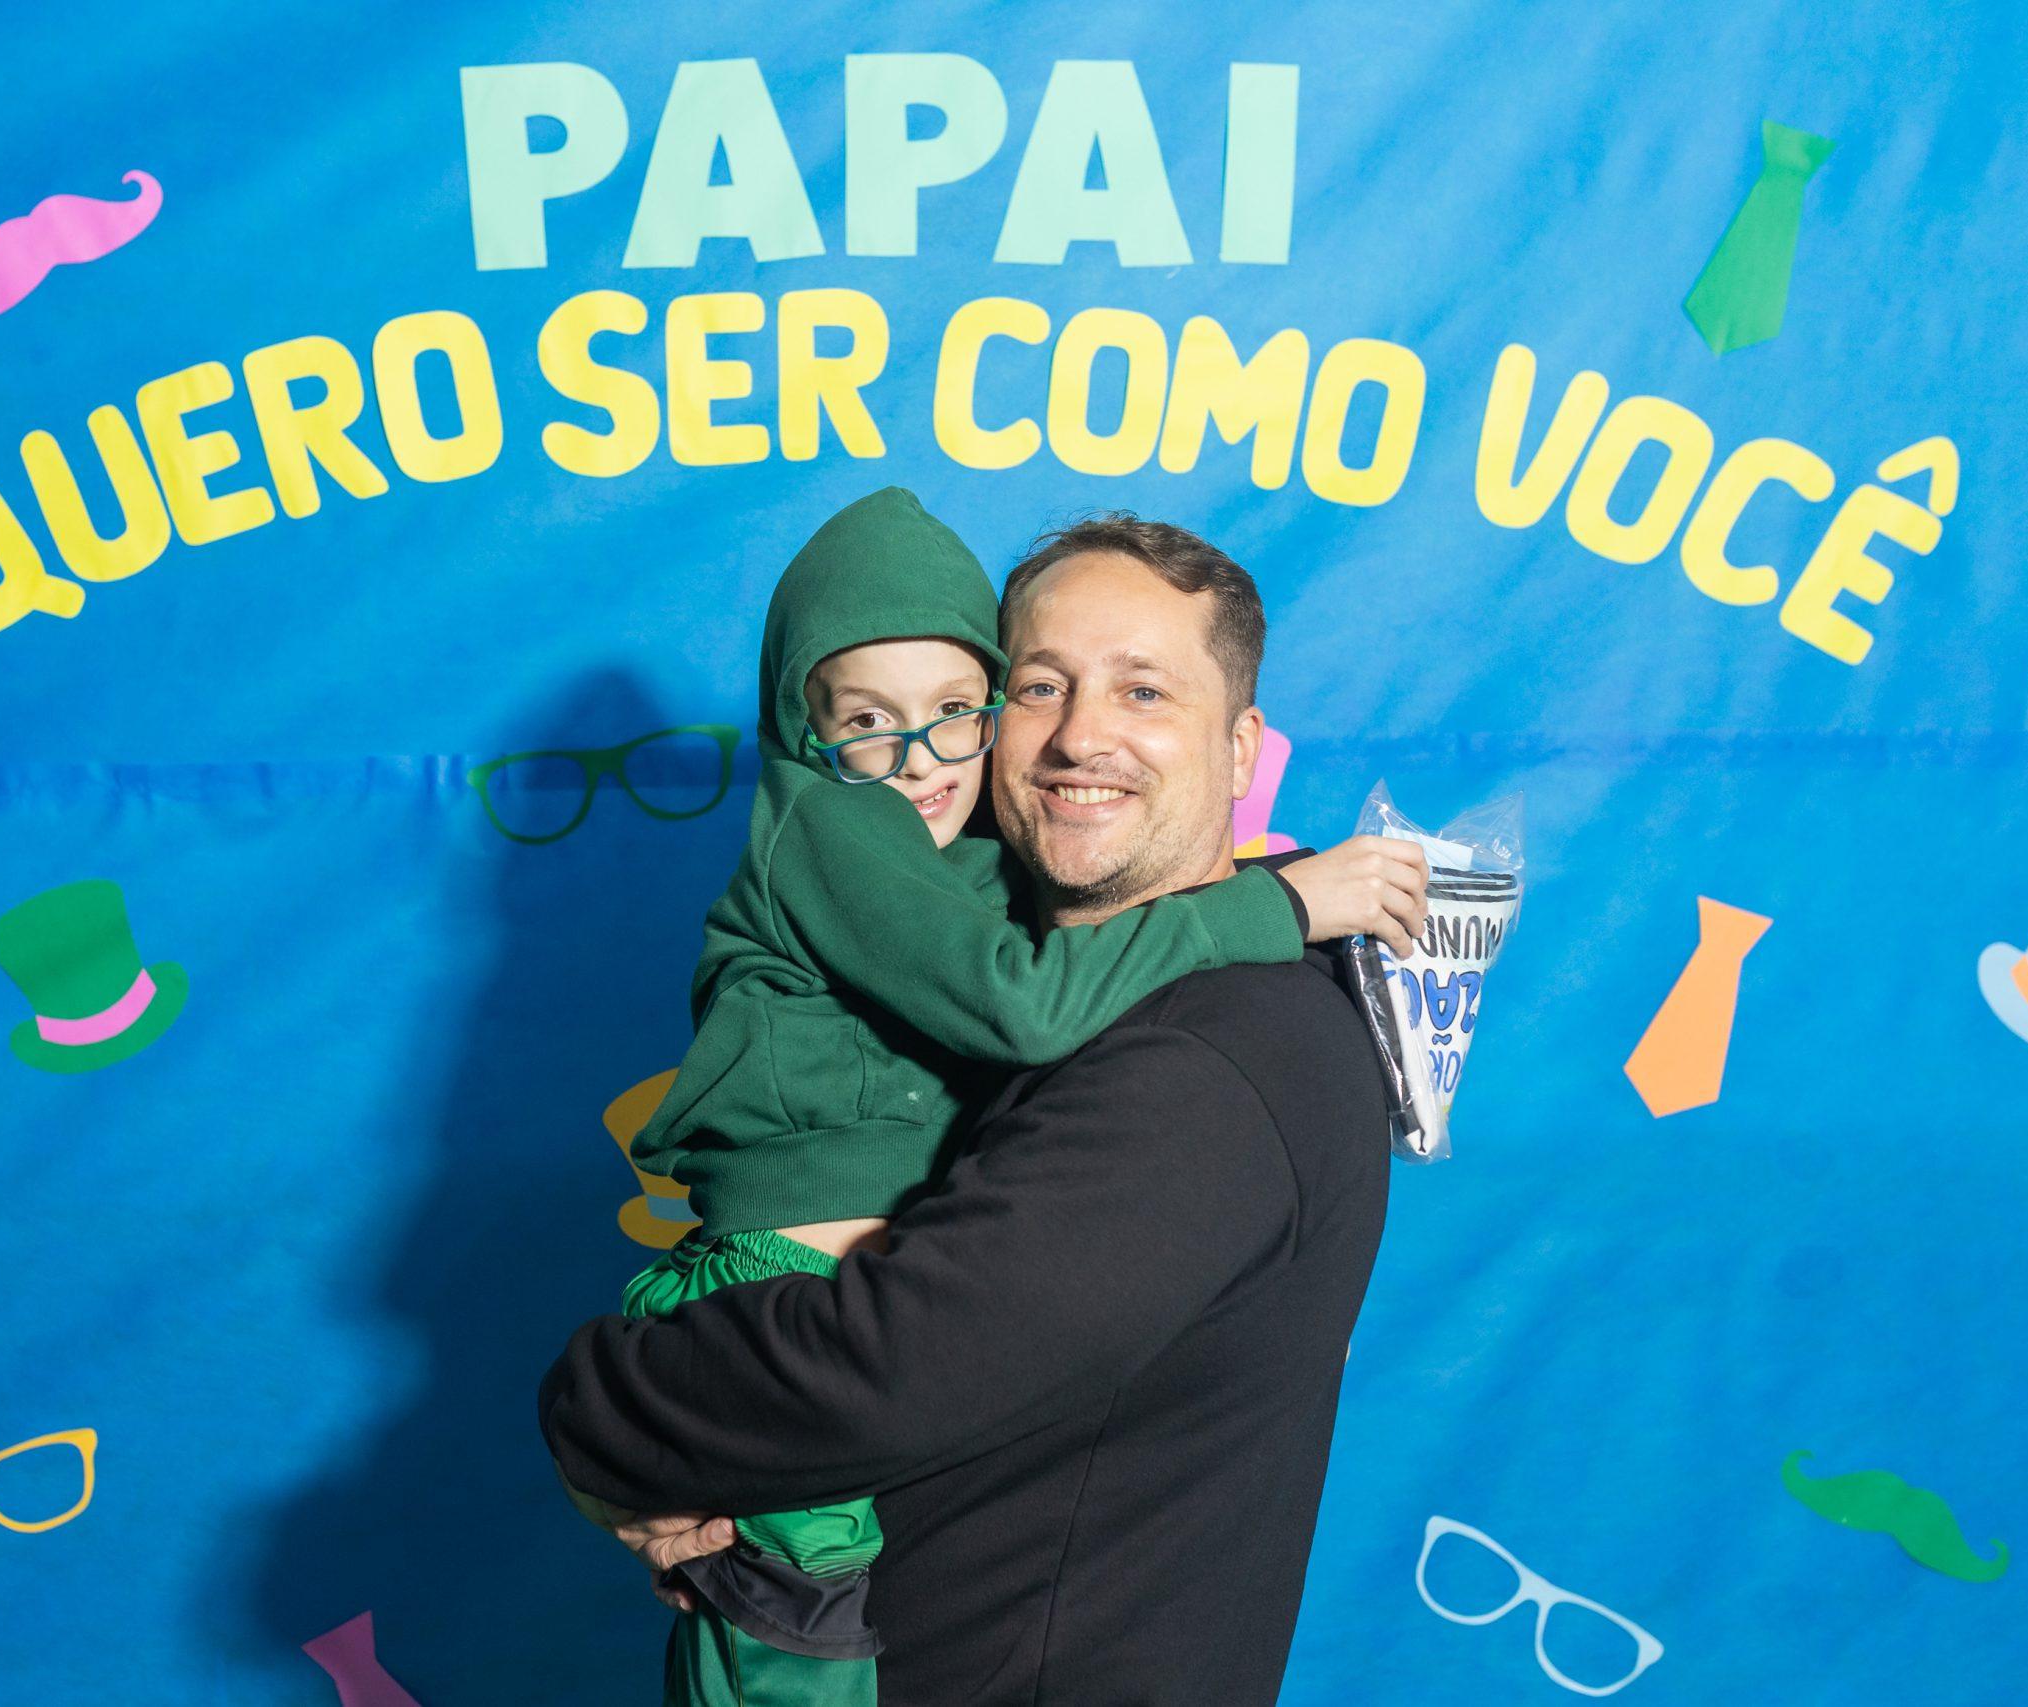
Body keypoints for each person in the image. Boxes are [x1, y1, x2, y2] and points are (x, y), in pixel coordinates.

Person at [552, 499, 1424, 1706]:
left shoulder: (1210, 1054)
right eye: (1041, 688)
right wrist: (700, 1479)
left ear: (1238, 753)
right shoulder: (1016, 956)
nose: (1079, 737)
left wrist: (600, 1413)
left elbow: (879, 1376)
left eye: (1143, 691)